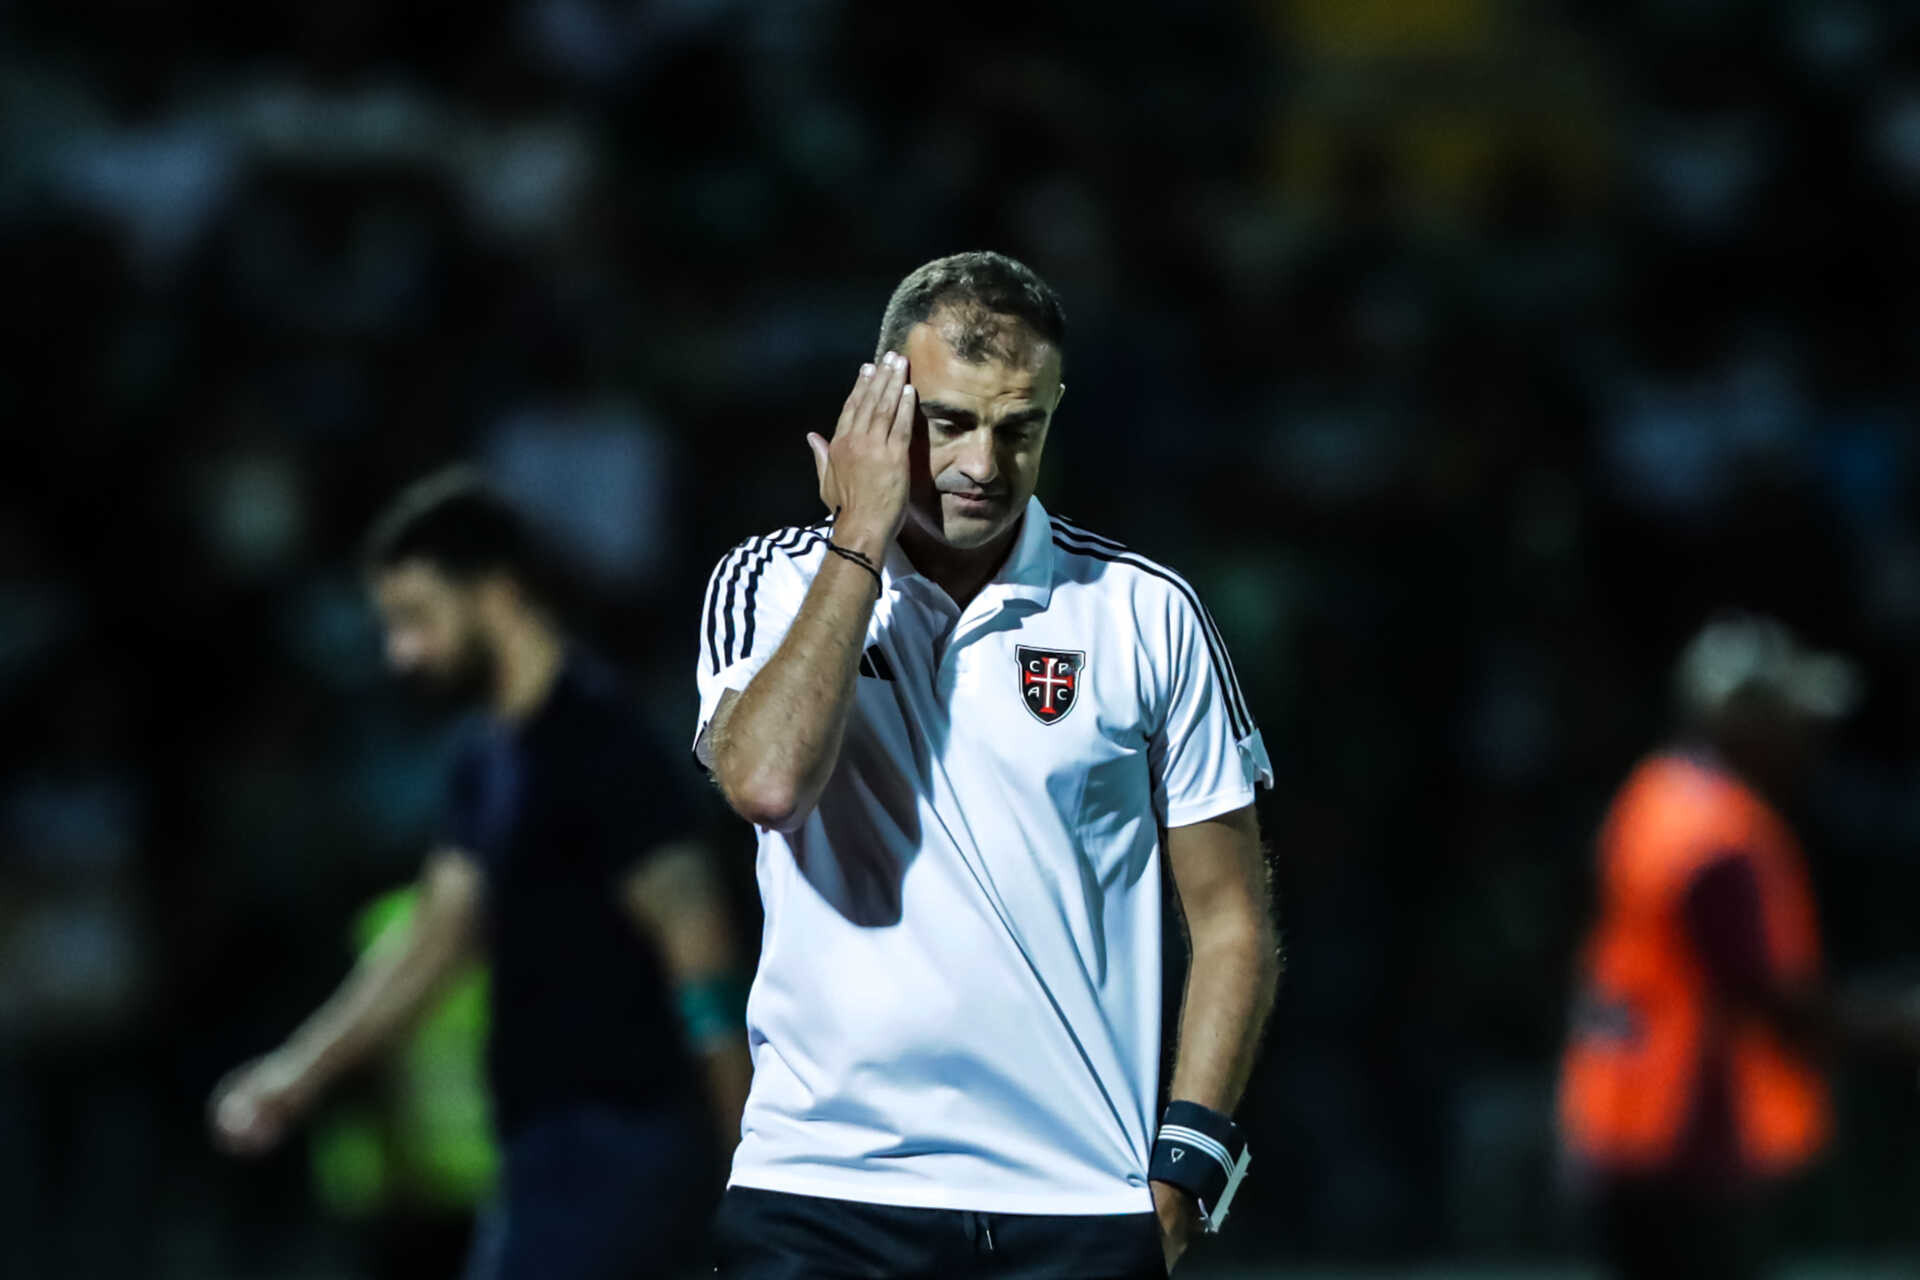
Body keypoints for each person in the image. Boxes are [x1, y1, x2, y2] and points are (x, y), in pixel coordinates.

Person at [695, 251, 1280, 1278]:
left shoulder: (1145, 610)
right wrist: (860, 540)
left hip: (1077, 1205)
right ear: (875, 404)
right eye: (948, 421)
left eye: (1021, 427)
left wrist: (1188, 1166)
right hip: (823, 1190)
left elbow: (1233, 917)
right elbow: (767, 782)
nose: (984, 463)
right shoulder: (771, 582)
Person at [210, 470, 752, 1280]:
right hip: (541, 1148)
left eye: (417, 619)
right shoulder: (485, 758)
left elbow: (697, 945)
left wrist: (749, 1159)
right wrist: (297, 1075)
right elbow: (435, 936)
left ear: (497, 594)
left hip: (623, 1140)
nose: (401, 652)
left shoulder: (602, 744)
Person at [1559, 614, 1920, 1279]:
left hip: (1623, 1128)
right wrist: (1894, 1023)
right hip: (1691, 1142)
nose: (1809, 739)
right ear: (1741, 721)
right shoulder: (1720, 837)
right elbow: (1775, 1005)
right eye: (1789, 718)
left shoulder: (1656, 794)